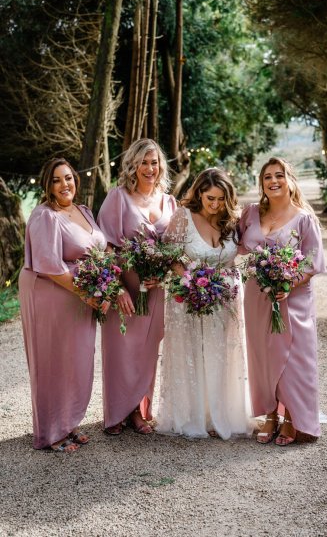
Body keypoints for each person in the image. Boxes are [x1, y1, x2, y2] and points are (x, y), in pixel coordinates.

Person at [156, 168, 252, 440]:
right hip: (189, 296)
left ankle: (219, 413)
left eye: (221, 199)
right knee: (192, 353)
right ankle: (192, 415)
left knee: (221, 354)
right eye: (210, 198)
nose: (215, 204)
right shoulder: (183, 217)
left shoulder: (232, 219)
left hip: (225, 299)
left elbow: (234, 258)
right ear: (199, 193)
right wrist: (191, 280)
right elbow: (170, 256)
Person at [19, 158, 108, 452]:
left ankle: (68, 423)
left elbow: (97, 249)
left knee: (77, 359)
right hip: (52, 294)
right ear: (47, 184)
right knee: (53, 361)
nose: (64, 184)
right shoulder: (45, 216)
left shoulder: (82, 210)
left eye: (68, 178)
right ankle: (51, 432)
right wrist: (88, 294)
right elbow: (49, 267)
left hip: (80, 294)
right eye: (56, 180)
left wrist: (103, 285)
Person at [239, 157, 326, 445]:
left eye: (279, 175)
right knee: (261, 356)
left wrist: (288, 282)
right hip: (257, 297)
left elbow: (312, 262)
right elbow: (233, 244)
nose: (273, 181)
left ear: (290, 180)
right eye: (267, 177)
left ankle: (291, 416)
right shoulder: (250, 214)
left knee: (294, 358)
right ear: (261, 183)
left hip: (292, 298)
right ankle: (270, 414)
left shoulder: (304, 219)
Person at [97, 139, 177, 436]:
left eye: (154, 162)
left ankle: (140, 412)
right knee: (121, 349)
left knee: (147, 349)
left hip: (155, 289)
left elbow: (177, 249)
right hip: (125, 285)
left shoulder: (169, 202)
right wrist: (116, 288)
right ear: (133, 164)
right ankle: (118, 411)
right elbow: (104, 246)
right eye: (143, 162)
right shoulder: (118, 198)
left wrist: (165, 273)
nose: (149, 168)